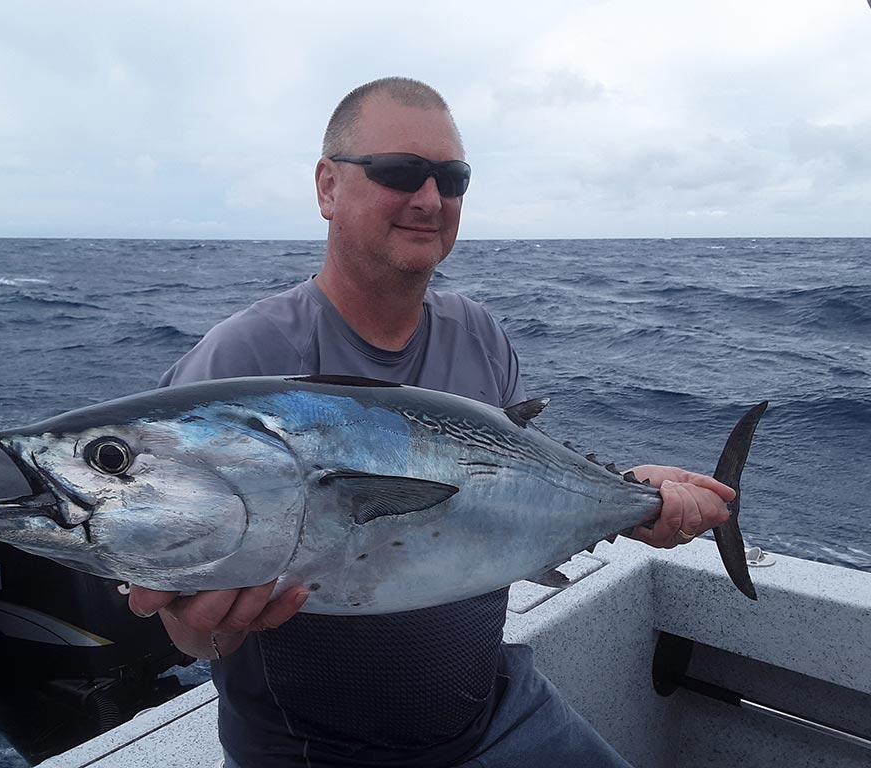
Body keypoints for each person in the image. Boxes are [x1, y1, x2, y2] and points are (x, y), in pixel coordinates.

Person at [128, 76, 734, 767]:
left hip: (499, 714)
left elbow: (520, 479)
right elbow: (188, 634)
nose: (428, 199)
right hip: (318, 755)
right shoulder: (246, 358)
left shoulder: (476, 331)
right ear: (328, 187)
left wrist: (631, 495)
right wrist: (199, 624)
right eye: (398, 172)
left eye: (452, 179)